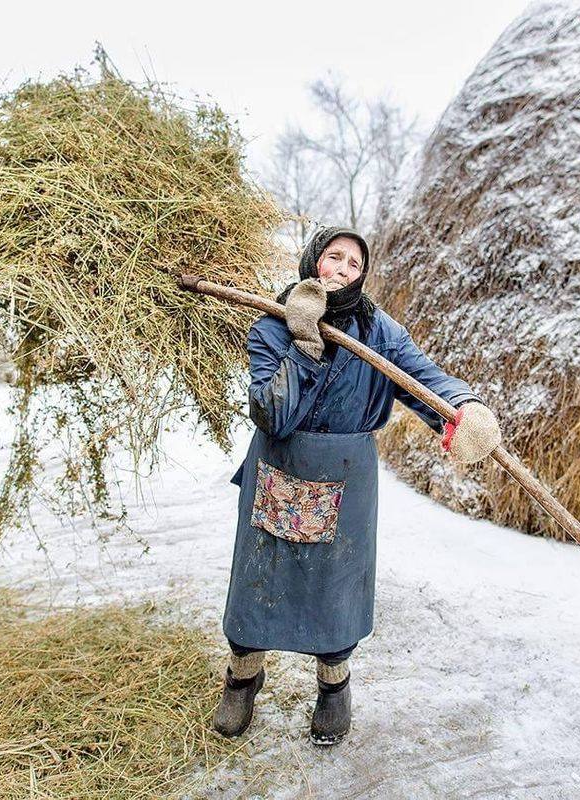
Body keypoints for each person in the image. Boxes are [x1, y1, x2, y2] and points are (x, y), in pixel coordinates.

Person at [211, 225, 502, 746]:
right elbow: (271, 414)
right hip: (281, 464)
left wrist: (466, 407)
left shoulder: (379, 331)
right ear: (312, 260)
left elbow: (422, 377)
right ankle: (243, 678)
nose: (343, 270)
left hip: (346, 474)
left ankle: (333, 688)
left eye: (354, 264)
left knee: (335, 591)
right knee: (261, 582)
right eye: (334, 257)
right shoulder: (272, 327)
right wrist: (303, 344)